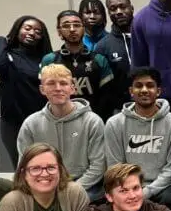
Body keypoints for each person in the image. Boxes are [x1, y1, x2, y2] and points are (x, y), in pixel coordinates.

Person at [17, 64, 106, 202]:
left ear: (72, 88)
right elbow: (24, 166)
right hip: (44, 184)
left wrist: (71, 190)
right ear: (42, 89)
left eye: (63, 83)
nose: (58, 88)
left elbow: (98, 166)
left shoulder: (92, 122)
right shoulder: (31, 124)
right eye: (51, 83)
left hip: (84, 187)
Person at [104, 67, 171, 209]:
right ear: (131, 91)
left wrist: (146, 191)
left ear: (158, 91)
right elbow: (115, 167)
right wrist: (132, 190)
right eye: (139, 86)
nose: (144, 90)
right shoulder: (114, 124)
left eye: (150, 85)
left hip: (161, 187)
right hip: (126, 184)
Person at [0, 15, 52, 165]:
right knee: (20, 164)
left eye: (38, 32)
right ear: (17, 29)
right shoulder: (8, 55)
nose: (32, 33)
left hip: (41, 121)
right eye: (27, 28)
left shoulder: (46, 59)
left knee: (42, 162)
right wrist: (0, 40)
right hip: (13, 122)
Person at [41, 10, 115, 119]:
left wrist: (96, 121)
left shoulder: (99, 60)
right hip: (59, 120)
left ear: (83, 29)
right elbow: (45, 95)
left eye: (76, 25)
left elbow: (107, 98)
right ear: (59, 32)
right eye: (66, 26)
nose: (72, 29)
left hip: (93, 121)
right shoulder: (49, 60)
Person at [93, 0, 134, 112]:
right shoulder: (102, 46)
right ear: (108, 13)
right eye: (113, 8)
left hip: (152, 105)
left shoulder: (147, 37)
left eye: (122, 7)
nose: (119, 12)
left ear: (131, 8)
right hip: (120, 111)